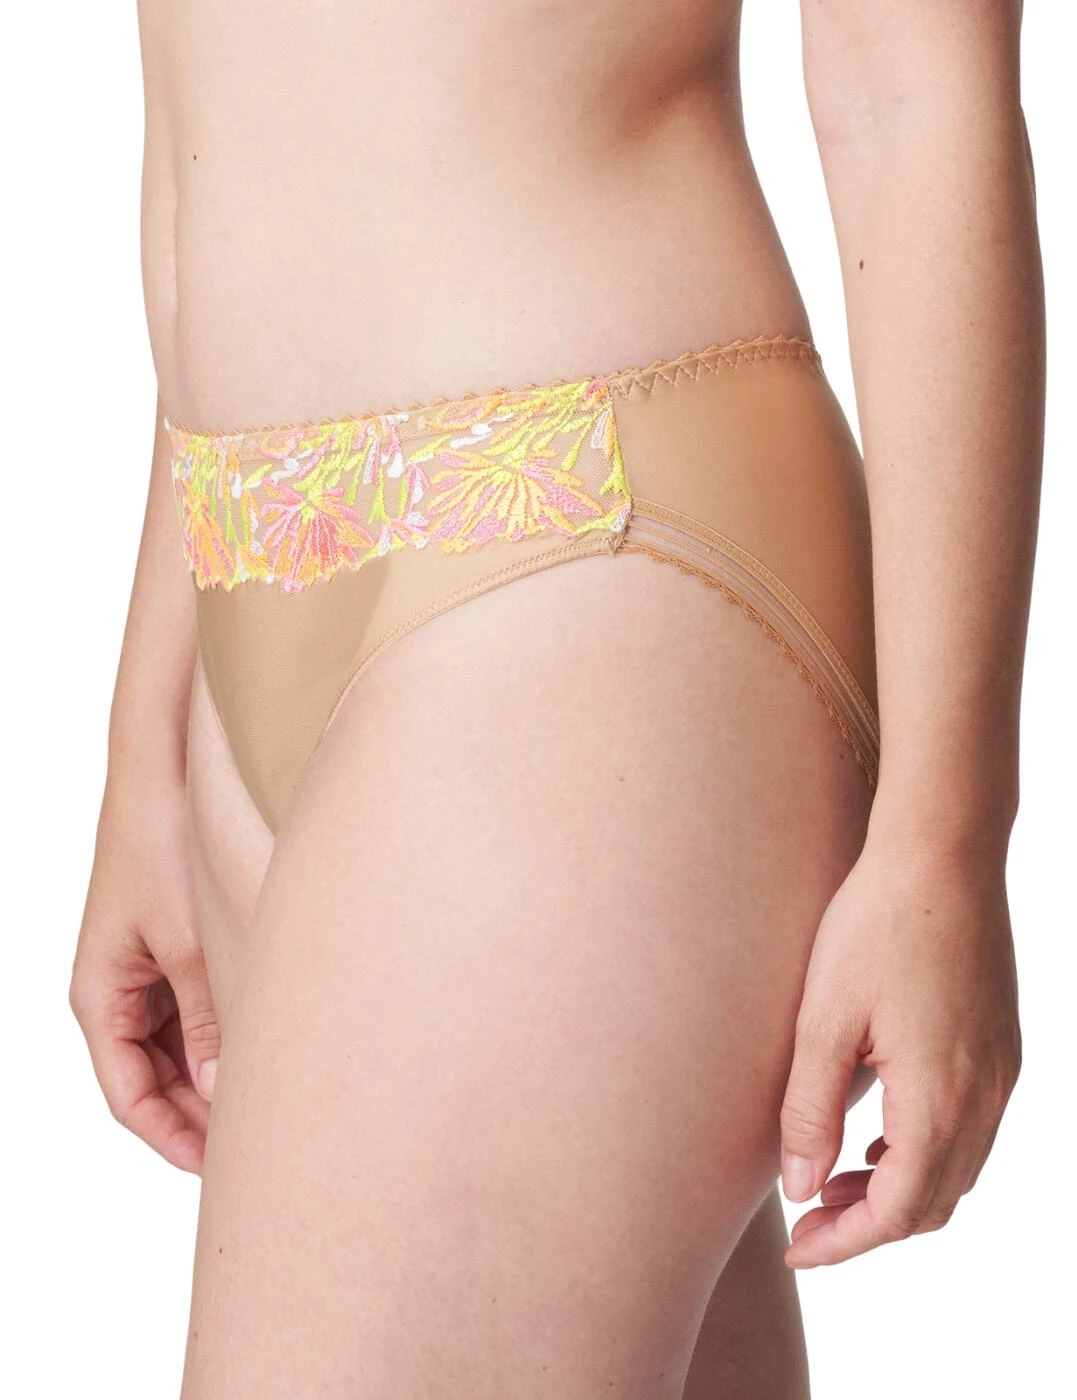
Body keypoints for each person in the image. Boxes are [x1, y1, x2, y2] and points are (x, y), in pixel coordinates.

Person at [68, 2, 1044, 1396]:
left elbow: (911, 92)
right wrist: (147, 736)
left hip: (588, 544)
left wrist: (947, 835)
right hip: (255, 565)